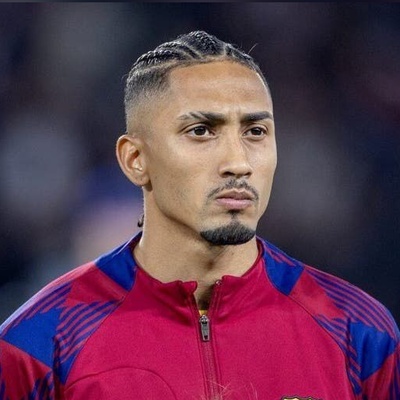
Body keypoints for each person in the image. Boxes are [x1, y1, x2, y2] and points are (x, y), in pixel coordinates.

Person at [0, 31, 399, 400]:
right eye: (201, 131)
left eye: (255, 132)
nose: (238, 163)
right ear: (136, 159)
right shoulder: (36, 347)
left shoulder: (361, 334)